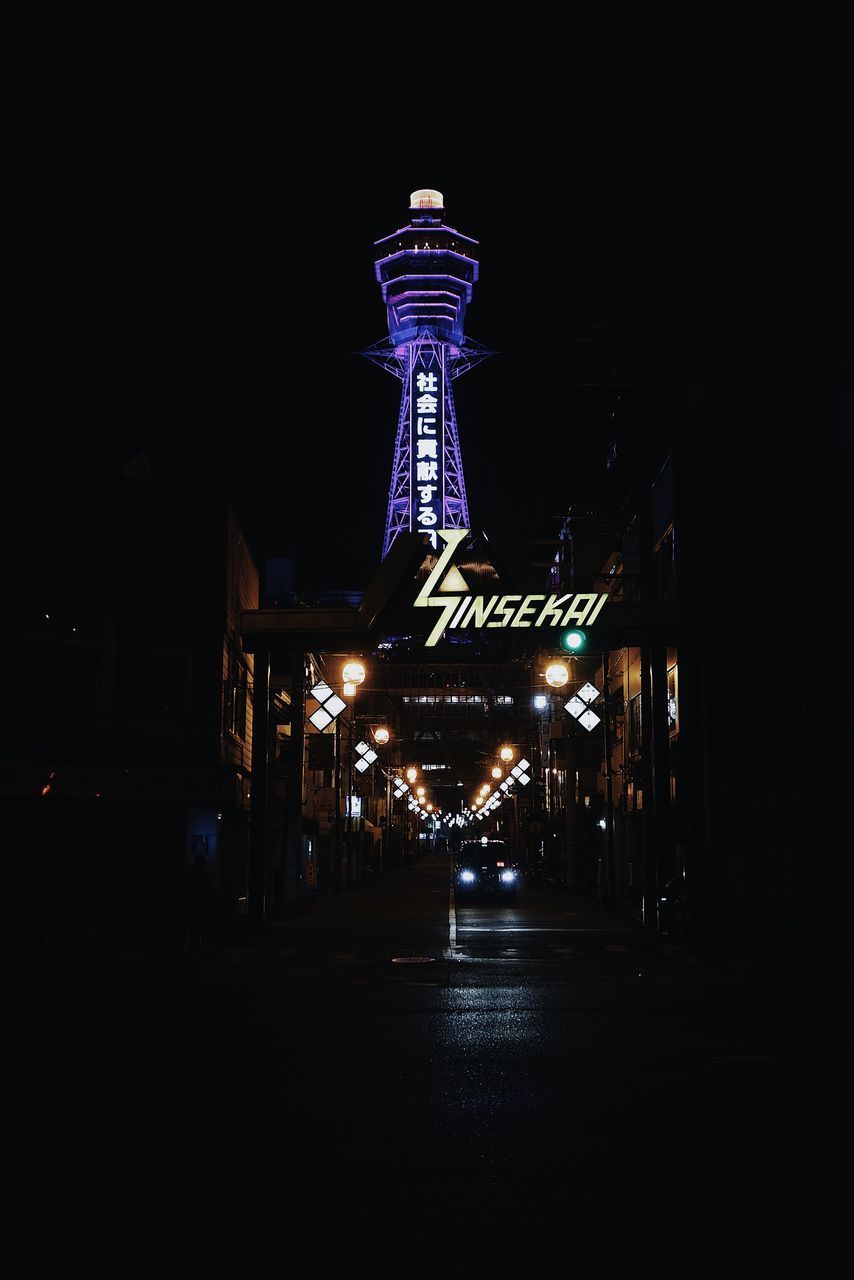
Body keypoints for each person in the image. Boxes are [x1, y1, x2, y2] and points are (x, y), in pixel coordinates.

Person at [182, 854, 211, 950]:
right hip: (199, 906)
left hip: (188, 905)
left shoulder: (187, 875)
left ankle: (186, 945)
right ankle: (197, 946)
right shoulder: (203, 877)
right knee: (198, 928)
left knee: (188, 927)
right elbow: (208, 893)